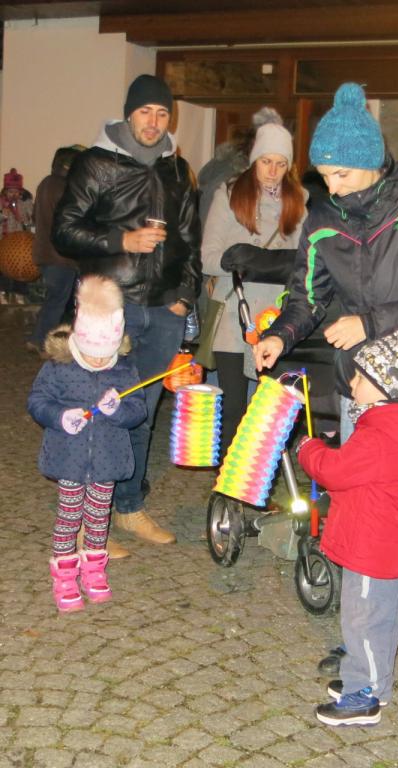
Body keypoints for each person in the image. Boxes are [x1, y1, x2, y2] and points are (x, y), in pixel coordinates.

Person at [254, 82, 398, 702]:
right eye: (325, 175)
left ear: (373, 162)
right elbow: (307, 297)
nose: (333, 186)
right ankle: (362, 643)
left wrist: (370, 323)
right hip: (364, 386)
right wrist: (280, 334)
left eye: (343, 173)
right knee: (364, 518)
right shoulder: (323, 219)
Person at [53, 74, 201, 558]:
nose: (153, 122)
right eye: (145, 112)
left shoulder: (178, 169)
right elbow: (63, 231)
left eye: (162, 113)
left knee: (142, 412)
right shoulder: (96, 163)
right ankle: (83, 524)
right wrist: (122, 240)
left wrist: (184, 295)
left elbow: (190, 239)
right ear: (128, 114)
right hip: (110, 305)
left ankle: (129, 505)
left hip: (163, 309)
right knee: (96, 412)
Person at [297, 330, 398, 726]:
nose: (352, 381)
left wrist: (308, 448)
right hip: (383, 538)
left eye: (360, 376)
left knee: (363, 620)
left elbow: (334, 471)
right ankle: (369, 681)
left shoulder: (382, 434)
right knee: (378, 615)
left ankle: (366, 694)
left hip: (371, 543)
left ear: (385, 387)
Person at [27, 276, 147, 612]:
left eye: (104, 356)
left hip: (107, 460)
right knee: (68, 517)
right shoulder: (59, 367)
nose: (97, 362)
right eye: (91, 355)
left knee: (98, 518)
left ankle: (94, 570)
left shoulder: (123, 369)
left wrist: (118, 409)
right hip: (70, 459)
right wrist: (60, 416)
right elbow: (37, 401)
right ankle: (65, 575)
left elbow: (137, 410)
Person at [202, 121, 307, 457]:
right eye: (266, 161)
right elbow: (207, 257)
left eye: (281, 163)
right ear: (254, 160)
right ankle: (227, 481)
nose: (273, 172)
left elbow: (306, 263)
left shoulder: (299, 200)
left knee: (268, 413)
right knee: (232, 408)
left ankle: (259, 480)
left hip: (276, 316)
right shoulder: (230, 194)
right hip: (236, 314)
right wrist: (239, 261)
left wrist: (259, 261)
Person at [26, 146, 85, 354]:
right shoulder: (65, 188)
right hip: (61, 257)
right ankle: (42, 343)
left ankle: (38, 339)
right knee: (57, 302)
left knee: (54, 300)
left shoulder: (46, 183)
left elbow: (36, 216)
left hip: (44, 253)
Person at [0, 167, 34, 304]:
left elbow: (31, 220)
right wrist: (3, 215)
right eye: (10, 191)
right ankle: (3, 292)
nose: (13, 194)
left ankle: (19, 293)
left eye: (16, 191)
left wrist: (25, 216)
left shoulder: (24, 203)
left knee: (20, 266)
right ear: (5, 191)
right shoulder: (1, 203)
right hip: (3, 240)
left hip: (19, 242)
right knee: (4, 267)